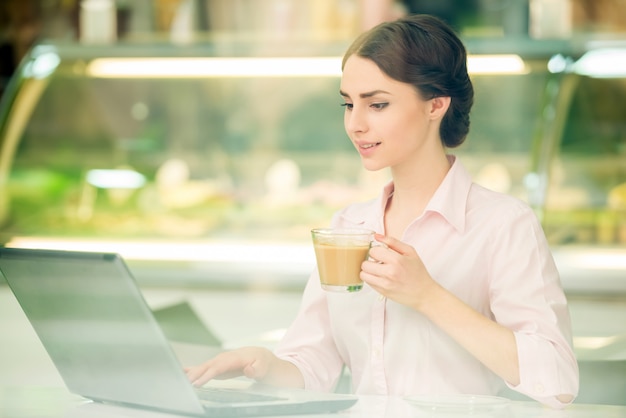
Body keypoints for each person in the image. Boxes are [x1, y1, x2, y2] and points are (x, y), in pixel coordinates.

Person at [185, 14, 579, 408]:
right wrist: (265, 365)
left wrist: (428, 296)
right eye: (348, 104)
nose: (355, 124)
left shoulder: (502, 224)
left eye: (377, 104)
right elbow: (313, 367)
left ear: (436, 105)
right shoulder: (348, 225)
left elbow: (557, 380)